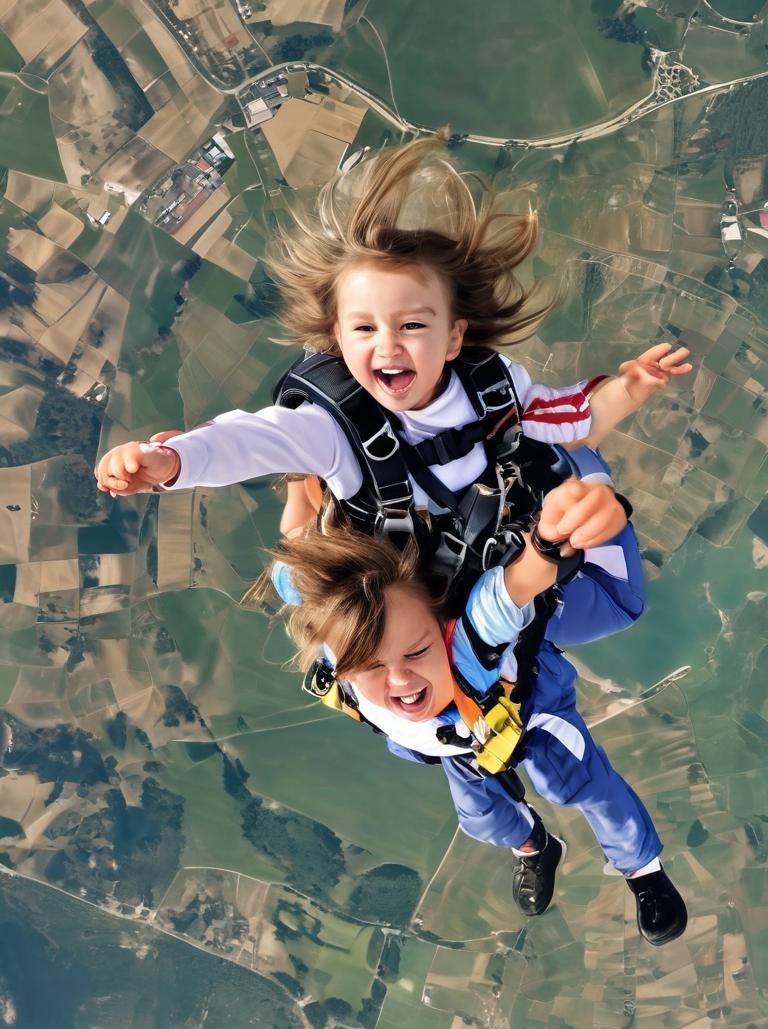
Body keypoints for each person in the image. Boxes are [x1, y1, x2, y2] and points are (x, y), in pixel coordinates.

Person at [94, 137, 690, 604]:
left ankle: (307, 489)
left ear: (455, 337)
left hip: (470, 538)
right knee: (300, 579)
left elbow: (568, 418)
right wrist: (172, 462)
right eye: (364, 329)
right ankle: (304, 499)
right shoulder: (334, 427)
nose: (389, 346)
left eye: (411, 326)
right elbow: (252, 439)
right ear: (334, 340)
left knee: (571, 475)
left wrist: (631, 386)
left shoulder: (492, 385)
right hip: (380, 561)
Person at [262, 464, 688, 947]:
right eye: (372, 666)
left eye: (417, 652)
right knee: (482, 817)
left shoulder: (470, 642)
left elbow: (513, 589)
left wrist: (547, 541)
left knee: (583, 786)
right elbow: (296, 547)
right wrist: (292, 474)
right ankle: (536, 848)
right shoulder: (330, 627)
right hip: (455, 739)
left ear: (442, 631)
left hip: (526, 711)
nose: (400, 679)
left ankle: (642, 871)